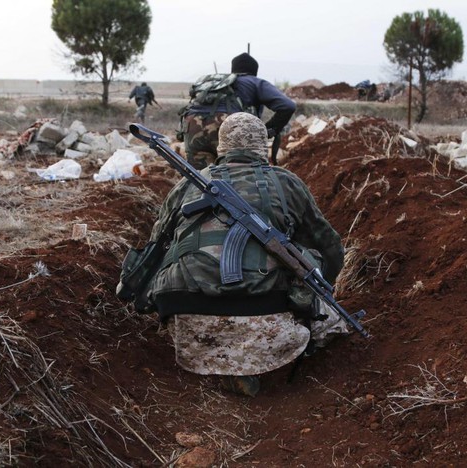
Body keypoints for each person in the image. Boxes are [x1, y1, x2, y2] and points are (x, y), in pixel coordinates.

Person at [145, 112, 349, 397]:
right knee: (328, 308)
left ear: (221, 147)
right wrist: (318, 287)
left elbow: (156, 243)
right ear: (262, 147)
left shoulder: (187, 185)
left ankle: (222, 359)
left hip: (187, 322)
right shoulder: (286, 183)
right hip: (270, 329)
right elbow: (330, 248)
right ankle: (260, 362)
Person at [181, 53, 296, 170]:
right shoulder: (255, 82)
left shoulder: (216, 84)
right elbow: (288, 106)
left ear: (233, 69)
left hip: (192, 125)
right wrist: (266, 131)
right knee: (236, 176)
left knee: (198, 179)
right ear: (254, 70)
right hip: (228, 125)